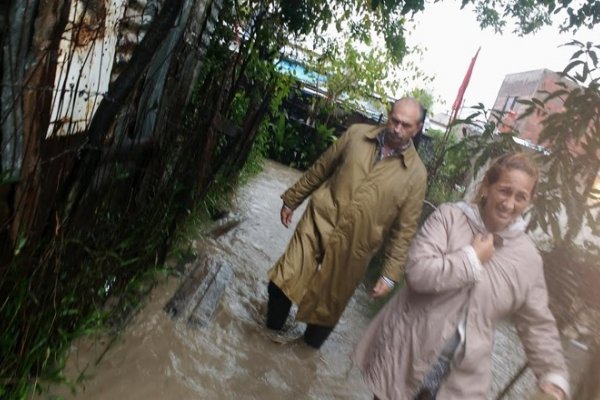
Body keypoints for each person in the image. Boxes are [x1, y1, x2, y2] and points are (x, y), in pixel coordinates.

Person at [353, 152, 570, 400]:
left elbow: (537, 323)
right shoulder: (450, 218)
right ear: (487, 186)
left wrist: (553, 377)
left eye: (520, 197)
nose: (509, 204)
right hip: (407, 355)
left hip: (462, 379)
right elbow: (418, 273)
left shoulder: (527, 259)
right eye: (504, 191)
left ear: (530, 200)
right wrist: (471, 258)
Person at [266, 97, 428, 350]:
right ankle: (264, 340)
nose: (397, 129)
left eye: (406, 125)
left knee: (327, 309)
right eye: (394, 120)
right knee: (283, 281)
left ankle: (302, 359)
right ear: (388, 115)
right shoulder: (356, 135)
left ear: (417, 129)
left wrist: (390, 275)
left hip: (356, 245)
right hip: (320, 220)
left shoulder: (416, 175)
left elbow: (404, 230)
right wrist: (292, 199)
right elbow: (322, 168)